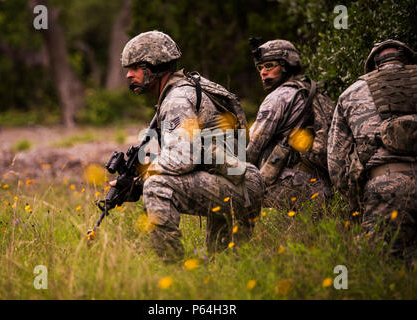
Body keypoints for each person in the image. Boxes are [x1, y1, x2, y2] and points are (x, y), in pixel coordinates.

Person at [120, 30, 263, 262]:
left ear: (154, 67)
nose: (128, 75)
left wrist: (142, 177)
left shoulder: (177, 99)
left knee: (156, 186)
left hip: (237, 183)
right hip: (238, 181)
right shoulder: (186, 88)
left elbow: (183, 157)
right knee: (224, 265)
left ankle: (172, 270)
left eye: (135, 67)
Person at [328, 39, 417, 261]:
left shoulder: (351, 93)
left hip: (386, 187)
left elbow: (335, 163)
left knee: (385, 266)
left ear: (373, 65)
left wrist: (354, 203)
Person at [246, 39, 333, 211]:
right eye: (260, 67)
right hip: (324, 186)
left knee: (230, 190)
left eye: (269, 66)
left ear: (286, 65)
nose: (263, 72)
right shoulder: (314, 93)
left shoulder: (279, 97)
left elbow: (253, 150)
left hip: (294, 184)